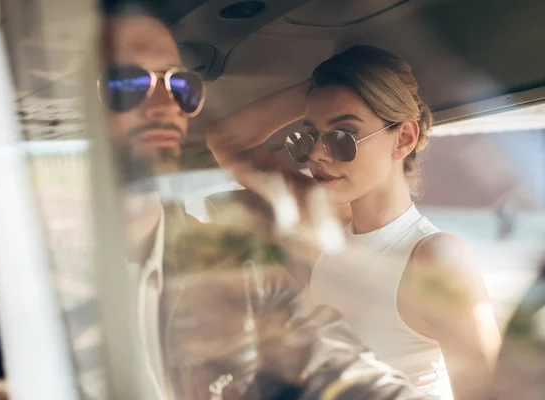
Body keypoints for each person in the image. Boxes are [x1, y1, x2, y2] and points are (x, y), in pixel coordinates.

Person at [54, 3, 431, 399]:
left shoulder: (239, 272)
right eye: (127, 84)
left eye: (181, 86)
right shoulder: (26, 273)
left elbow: (341, 371)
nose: (164, 106)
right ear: (78, 99)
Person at [207, 46, 501, 398]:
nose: (317, 154)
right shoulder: (324, 223)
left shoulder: (434, 258)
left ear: (403, 138)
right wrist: (320, 86)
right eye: (311, 135)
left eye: (342, 137)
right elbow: (227, 142)